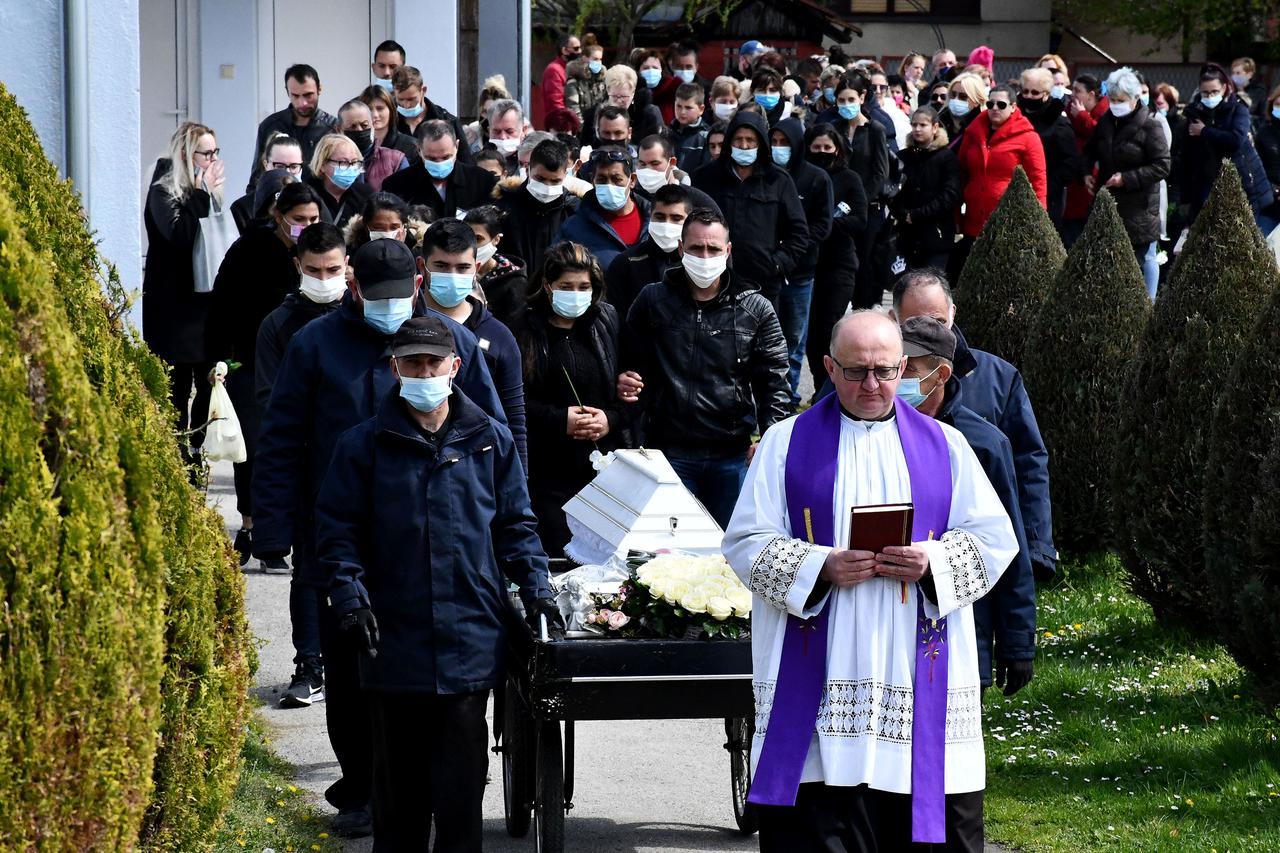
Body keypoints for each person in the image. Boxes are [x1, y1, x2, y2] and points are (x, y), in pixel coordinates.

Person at [722, 309, 1018, 853]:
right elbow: (744, 543)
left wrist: (932, 562)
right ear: (829, 369)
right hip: (822, 674)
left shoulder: (946, 446)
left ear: (904, 366)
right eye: (857, 371)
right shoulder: (786, 445)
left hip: (913, 672)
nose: (873, 385)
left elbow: (996, 541)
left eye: (885, 371)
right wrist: (820, 567)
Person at [252, 237, 506, 837]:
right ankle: (362, 787)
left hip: (435, 535)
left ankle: (442, 786)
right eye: (377, 297)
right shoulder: (315, 345)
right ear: (355, 288)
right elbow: (282, 435)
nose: (391, 308)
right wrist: (274, 524)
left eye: (401, 297)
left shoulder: (447, 342)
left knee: (433, 681)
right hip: (339, 532)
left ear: (416, 285)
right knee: (350, 674)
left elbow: (495, 425)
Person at [315, 313, 555, 850]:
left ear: (455, 366)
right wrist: (350, 597)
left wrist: (537, 586)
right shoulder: (361, 445)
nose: (423, 372)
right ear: (394, 368)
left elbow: (516, 525)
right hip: (390, 643)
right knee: (398, 809)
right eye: (412, 363)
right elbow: (337, 534)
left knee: (459, 805)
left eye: (432, 362)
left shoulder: (490, 442)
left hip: (468, 644)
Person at [618, 208, 790, 527]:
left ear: (727, 251)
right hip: (668, 452)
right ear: (681, 249)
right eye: (696, 248)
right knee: (667, 556)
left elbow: (776, 383)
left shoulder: (756, 308)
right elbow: (627, 359)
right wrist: (625, 381)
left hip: (732, 454)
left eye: (713, 249)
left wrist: (768, 439)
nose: (705, 256)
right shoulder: (652, 300)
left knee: (730, 553)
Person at [895, 316, 1036, 698]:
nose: (899, 377)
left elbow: (1007, 547)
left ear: (941, 374)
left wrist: (1018, 641)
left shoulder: (982, 443)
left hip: (962, 627)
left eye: (911, 368)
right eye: (897, 365)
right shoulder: (875, 431)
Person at [890, 269, 1057, 583]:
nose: (927, 331)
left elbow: (1028, 464)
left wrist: (1036, 550)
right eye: (913, 323)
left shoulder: (997, 378)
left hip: (981, 551)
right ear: (893, 319)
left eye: (937, 322)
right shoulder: (871, 379)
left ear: (953, 313)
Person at [253, 222, 349, 714]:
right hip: (310, 464)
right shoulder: (281, 324)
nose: (324, 278)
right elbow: (271, 401)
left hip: (354, 462)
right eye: (314, 270)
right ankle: (310, 664)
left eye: (333, 269)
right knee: (310, 572)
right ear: (298, 267)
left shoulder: (360, 318)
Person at [208, 181, 324, 565]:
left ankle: (288, 528)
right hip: (250, 361)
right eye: (298, 220)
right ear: (278, 216)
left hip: (305, 362)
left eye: (313, 219)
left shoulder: (323, 251)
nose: (306, 227)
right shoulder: (249, 251)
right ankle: (252, 525)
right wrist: (219, 361)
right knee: (255, 448)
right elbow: (222, 305)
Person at [516, 243, 627, 555]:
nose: (576, 294)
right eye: (566, 286)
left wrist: (610, 418)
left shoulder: (605, 322)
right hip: (546, 473)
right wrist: (559, 419)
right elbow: (513, 400)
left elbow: (632, 389)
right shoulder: (524, 330)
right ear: (548, 287)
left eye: (584, 287)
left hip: (601, 471)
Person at [414, 218, 526, 469]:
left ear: (476, 268)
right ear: (422, 266)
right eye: (441, 266)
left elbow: (514, 422)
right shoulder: (406, 326)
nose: (452, 276)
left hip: (477, 471)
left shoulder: (499, 337)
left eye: (462, 268)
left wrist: (518, 487)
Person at [143, 121, 223, 467]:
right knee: (176, 388)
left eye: (215, 152)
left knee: (207, 383)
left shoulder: (204, 190)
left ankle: (194, 450)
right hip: (173, 307)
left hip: (205, 305)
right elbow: (180, 238)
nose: (212, 160)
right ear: (185, 154)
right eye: (206, 153)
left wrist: (208, 196)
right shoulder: (164, 189)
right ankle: (176, 459)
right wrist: (202, 194)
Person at [692, 111, 810, 306]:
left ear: (761, 143)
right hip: (713, 280)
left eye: (750, 140)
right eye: (738, 140)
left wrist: (778, 263)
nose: (744, 146)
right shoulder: (706, 177)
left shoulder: (778, 180)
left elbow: (798, 232)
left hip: (763, 284)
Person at [1083, 67, 1172, 301]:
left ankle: (1146, 306)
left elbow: (1162, 166)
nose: (1115, 104)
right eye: (1111, 99)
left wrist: (1127, 178)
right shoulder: (1106, 121)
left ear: (1134, 98)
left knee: (1144, 259)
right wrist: (1086, 173)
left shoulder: (1151, 124)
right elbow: (1089, 150)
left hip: (1139, 206)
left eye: (1120, 100)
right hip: (1109, 201)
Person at [953, 83, 1047, 281]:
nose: (994, 108)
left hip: (1008, 219)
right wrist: (956, 215)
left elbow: (1038, 181)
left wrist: (1039, 221)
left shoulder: (1028, 138)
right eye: (990, 104)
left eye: (1001, 104)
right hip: (973, 219)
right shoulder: (973, 133)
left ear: (1013, 106)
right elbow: (961, 174)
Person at [770, 117, 833, 404]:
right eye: (775, 142)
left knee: (793, 341)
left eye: (785, 143)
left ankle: (788, 397)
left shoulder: (816, 177)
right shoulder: (766, 175)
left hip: (800, 272)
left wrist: (795, 248)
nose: (779, 148)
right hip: (767, 271)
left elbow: (823, 224)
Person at [803, 124, 866, 402]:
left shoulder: (849, 179)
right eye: (816, 148)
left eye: (826, 148)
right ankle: (821, 388)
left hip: (838, 266)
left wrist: (825, 225)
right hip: (807, 265)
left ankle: (827, 391)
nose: (821, 152)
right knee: (811, 335)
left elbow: (859, 220)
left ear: (837, 149)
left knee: (829, 329)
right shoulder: (803, 178)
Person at [1178, 62, 1273, 226]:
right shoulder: (1194, 113)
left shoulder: (1237, 108)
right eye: (1205, 93)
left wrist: (1205, 131)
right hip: (1208, 180)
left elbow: (1236, 140)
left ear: (1224, 88)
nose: (1210, 97)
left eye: (1214, 91)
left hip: (1243, 180)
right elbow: (1187, 155)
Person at [826, 74, 889, 310]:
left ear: (862, 97)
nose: (845, 105)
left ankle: (864, 310)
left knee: (864, 262)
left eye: (850, 99)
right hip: (837, 207)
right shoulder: (834, 128)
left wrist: (859, 201)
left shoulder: (875, 130)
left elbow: (879, 173)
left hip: (866, 208)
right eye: (841, 100)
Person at [605, 183, 693, 321]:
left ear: (689, 221)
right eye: (660, 217)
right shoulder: (626, 263)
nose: (666, 224)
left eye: (676, 218)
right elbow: (613, 320)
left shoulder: (697, 264)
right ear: (650, 217)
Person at [553, 146, 651, 270]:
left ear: (632, 180)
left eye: (616, 179)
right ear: (592, 180)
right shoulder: (574, 228)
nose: (609, 185)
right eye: (602, 179)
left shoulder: (655, 221)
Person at [495, 138, 579, 275]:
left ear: (565, 176)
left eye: (555, 181)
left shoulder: (574, 212)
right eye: (540, 179)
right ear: (528, 170)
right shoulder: (504, 209)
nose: (547, 186)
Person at [891, 106, 962, 271]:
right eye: (914, 125)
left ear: (935, 127)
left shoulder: (946, 157)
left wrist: (917, 214)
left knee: (931, 285)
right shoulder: (903, 156)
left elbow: (950, 194)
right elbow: (892, 189)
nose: (917, 129)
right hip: (906, 235)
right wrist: (902, 213)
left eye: (923, 125)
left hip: (936, 234)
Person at [248, 64, 338, 191]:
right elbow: (257, 177)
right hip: (276, 203)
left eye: (308, 95)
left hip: (318, 205)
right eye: (295, 96)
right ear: (287, 92)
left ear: (319, 89)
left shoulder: (333, 128)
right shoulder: (270, 125)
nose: (303, 103)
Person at [382, 120, 497, 219]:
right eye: (431, 158)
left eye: (446, 157)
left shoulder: (483, 182)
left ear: (456, 146)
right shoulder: (396, 186)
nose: (439, 163)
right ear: (418, 149)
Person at [1018, 67, 1083, 228]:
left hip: (1048, 196)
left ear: (1046, 94)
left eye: (1035, 93)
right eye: (1025, 91)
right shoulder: (1016, 116)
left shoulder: (1058, 122)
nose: (1028, 96)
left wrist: (1047, 186)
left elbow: (1069, 163)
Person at [1061, 73, 1108, 247]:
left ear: (1091, 95)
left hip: (1092, 181)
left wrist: (1082, 116)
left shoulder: (1104, 113)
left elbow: (1100, 138)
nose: (1072, 94)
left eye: (1077, 90)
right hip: (1074, 181)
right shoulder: (1071, 110)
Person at [464, 205, 529, 330]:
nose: (471, 245)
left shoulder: (514, 282)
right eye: (466, 237)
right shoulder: (454, 272)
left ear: (496, 240)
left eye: (478, 239)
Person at [391, 66, 473, 164]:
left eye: (411, 99)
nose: (406, 105)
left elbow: (466, 164)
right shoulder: (389, 121)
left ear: (423, 90)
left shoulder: (447, 121)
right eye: (400, 99)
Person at [230, 134, 303, 231]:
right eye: (280, 166)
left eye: (294, 167)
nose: (287, 172)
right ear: (266, 164)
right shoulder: (242, 208)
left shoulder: (311, 202)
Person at [305, 134, 375, 228]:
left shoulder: (366, 194)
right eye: (343, 162)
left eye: (354, 162)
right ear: (322, 165)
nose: (350, 168)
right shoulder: (307, 194)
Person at [337, 99, 405, 193]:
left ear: (372, 123)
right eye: (352, 126)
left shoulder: (396, 160)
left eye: (364, 125)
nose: (360, 130)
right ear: (339, 129)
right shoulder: (331, 163)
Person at [586, 65, 663, 145]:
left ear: (633, 93)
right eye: (615, 96)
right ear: (608, 91)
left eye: (624, 96)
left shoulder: (648, 114)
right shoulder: (594, 114)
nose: (619, 101)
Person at [358, 84, 419, 166]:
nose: (375, 114)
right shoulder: (353, 145)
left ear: (391, 110)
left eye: (380, 108)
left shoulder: (411, 146)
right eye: (369, 109)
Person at [1252, 84, 1280, 235]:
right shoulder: (1264, 133)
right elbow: (1256, 169)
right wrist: (1274, 189)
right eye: (1278, 104)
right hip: (1270, 205)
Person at [634, 133, 691, 200]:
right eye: (642, 164)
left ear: (672, 163)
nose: (648, 169)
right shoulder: (633, 199)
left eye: (655, 163)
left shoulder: (694, 199)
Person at [542, 33, 582, 125]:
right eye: (576, 48)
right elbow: (556, 104)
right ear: (564, 50)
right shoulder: (554, 70)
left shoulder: (572, 69)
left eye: (580, 48)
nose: (580, 51)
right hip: (562, 125)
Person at [941, 72, 986, 152]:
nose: (956, 99)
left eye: (963, 96)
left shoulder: (984, 127)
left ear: (977, 100)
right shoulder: (939, 121)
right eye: (953, 95)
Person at [671, 82, 711, 171]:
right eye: (679, 106)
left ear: (701, 109)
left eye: (688, 108)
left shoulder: (706, 136)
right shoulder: (666, 132)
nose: (682, 112)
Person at [565, 43, 608, 124]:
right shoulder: (574, 81)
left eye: (600, 59)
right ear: (585, 58)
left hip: (600, 126)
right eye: (595, 59)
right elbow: (573, 108)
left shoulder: (602, 80)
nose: (598, 62)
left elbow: (606, 101)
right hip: (581, 128)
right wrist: (583, 128)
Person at [485, 98, 529, 173]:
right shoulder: (478, 163)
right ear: (489, 131)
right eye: (497, 131)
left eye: (510, 131)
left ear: (524, 130)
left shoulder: (533, 163)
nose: (503, 137)